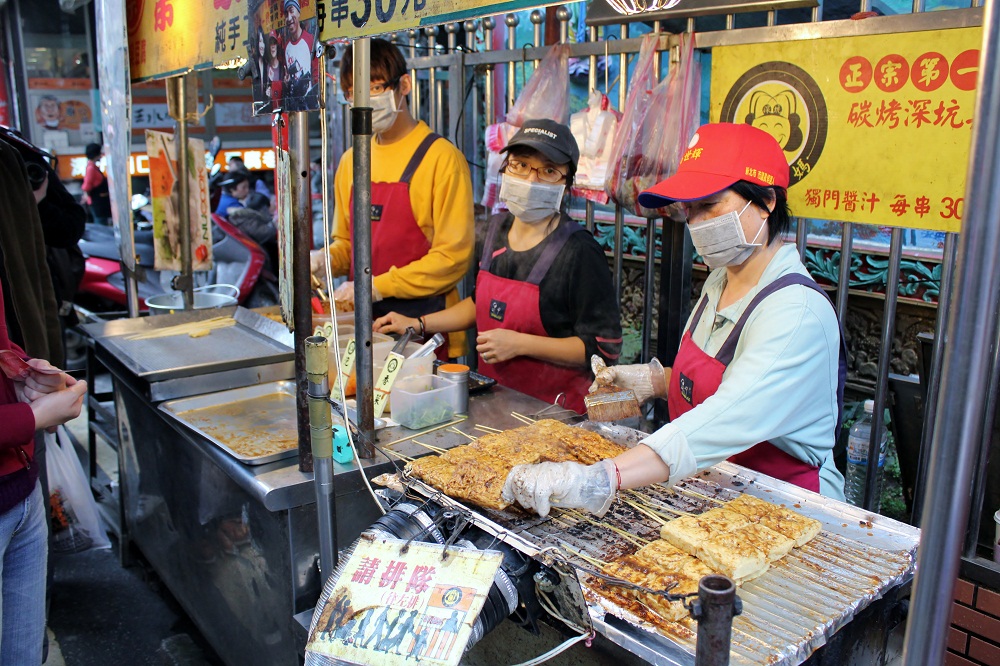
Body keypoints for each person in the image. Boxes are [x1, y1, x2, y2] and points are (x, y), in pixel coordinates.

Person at [502, 123, 847, 517]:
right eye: (691, 209)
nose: (697, 222)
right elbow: (716, 381)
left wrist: (600, 478)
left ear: (766, 200)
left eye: (710, 204)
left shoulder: (795, 314)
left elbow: (725, 419)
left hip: (784, 508)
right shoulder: (721, 279)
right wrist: (652, 381)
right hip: (716, 494)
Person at [374, 119, 621, 412]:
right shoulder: (494, 230)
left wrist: (520, 344)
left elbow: (603, 349)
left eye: (549, 171)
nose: (531, 180)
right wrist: (418, 323)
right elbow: (481, 303)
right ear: (505, 168)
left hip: (555, 417)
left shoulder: (579, 251)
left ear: (566, 186)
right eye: (520, 165)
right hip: (494, 409)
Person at [311, 38, 474, 359]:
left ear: (404, 85)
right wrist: (324, 260)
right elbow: (347, 245)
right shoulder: (350, 161)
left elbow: (453, 259)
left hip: (425, 329)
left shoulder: (442, 159)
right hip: (362, 325)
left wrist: (377, 286)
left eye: (374, 89)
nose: (365, 101)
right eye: (353, 93)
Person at [282, 0, 317, 111]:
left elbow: (317, 72)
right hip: (295, 105)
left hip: (310, 104)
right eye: (286, 14)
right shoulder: (286, 47)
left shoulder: (310, 40)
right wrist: (286, 83)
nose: (289, 17)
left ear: (298, 13)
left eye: (291, 11)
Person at [82, 143, 111, 226]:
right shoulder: (91, 168)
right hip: (97, 203)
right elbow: (87, 186)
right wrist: (86, 196)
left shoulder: (93, 167)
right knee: (100, 225)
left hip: (100, 203)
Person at [265, 32, 285, 112]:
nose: (272, 46)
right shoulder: (265, 69)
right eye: (270, 43)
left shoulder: (283, 68)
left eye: (274, 43)